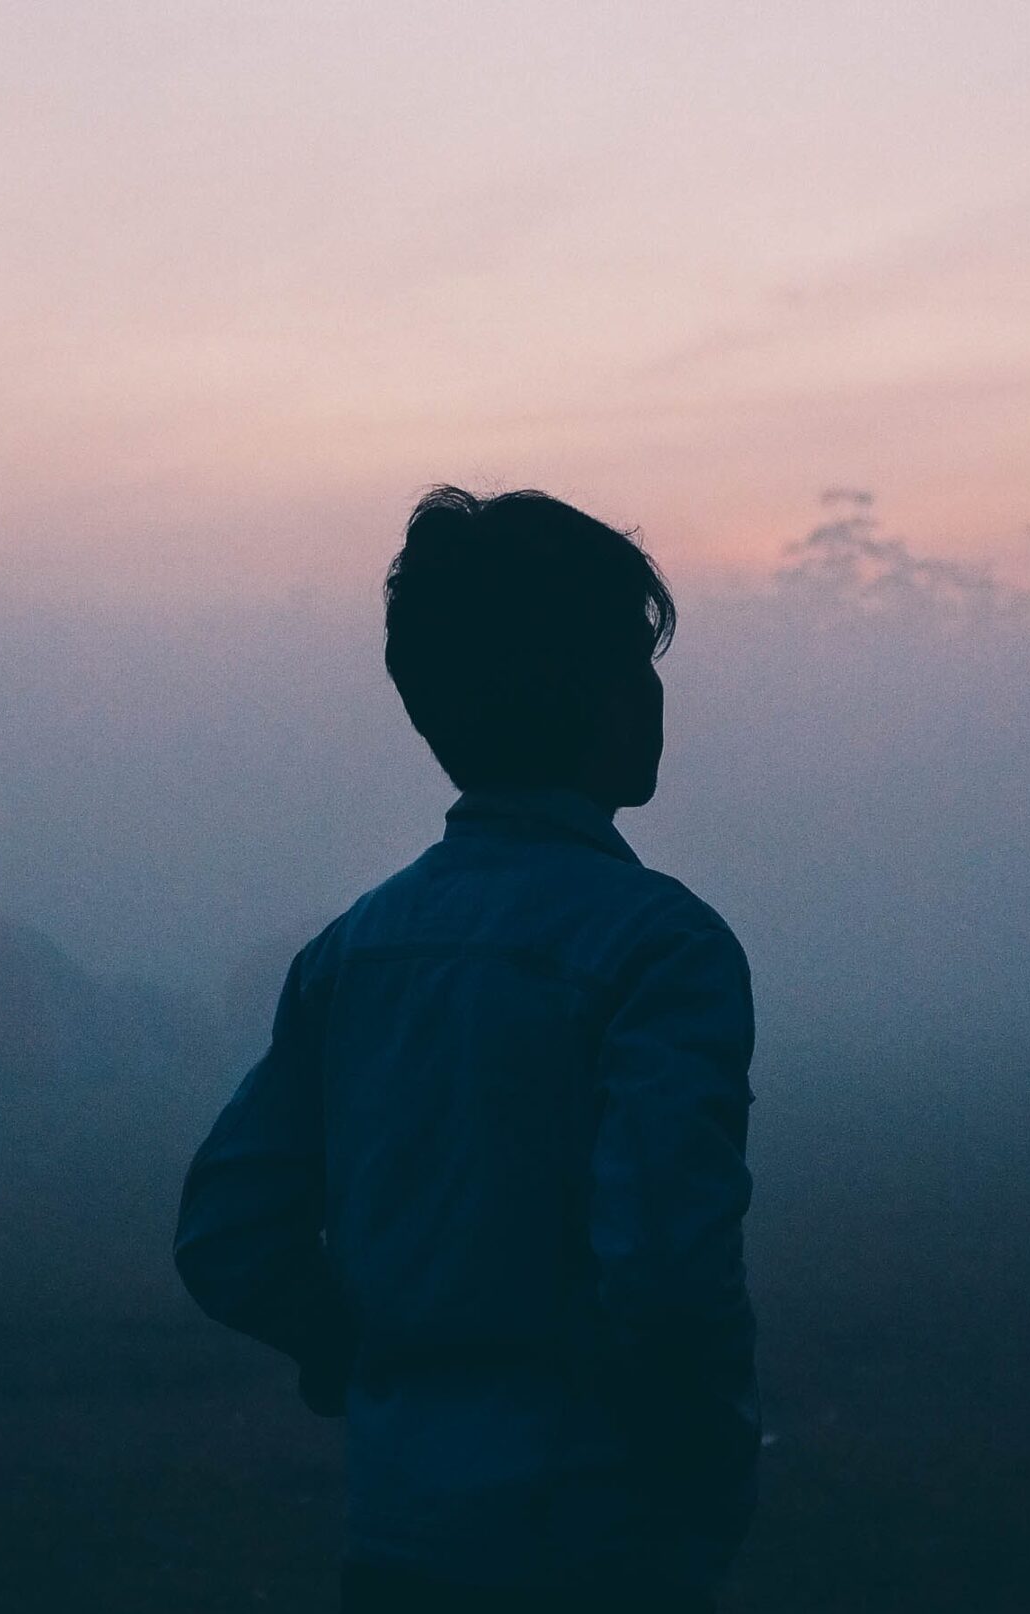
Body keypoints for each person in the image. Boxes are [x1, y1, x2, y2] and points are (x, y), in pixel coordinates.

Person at [175, 487, 758, 1612]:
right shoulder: (661, 951)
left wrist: (364, 1350)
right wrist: (705, 1468)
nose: (656, 697)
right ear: (596, 696)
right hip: (598, 1542)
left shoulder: (354, 954)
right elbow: (667, 1271)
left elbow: (228, 1233)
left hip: (401, 1535)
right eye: (637, 664)